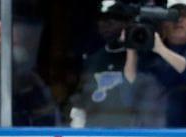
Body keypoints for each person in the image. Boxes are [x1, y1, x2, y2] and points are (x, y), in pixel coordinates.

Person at [69, 0, 166, 128]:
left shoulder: (144, 59)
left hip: (130, 134)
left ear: (128, 23)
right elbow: (81, 102)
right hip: (94, 133)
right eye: (102, 19)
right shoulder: (92, 59)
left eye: (113, 18)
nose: (106, 24)